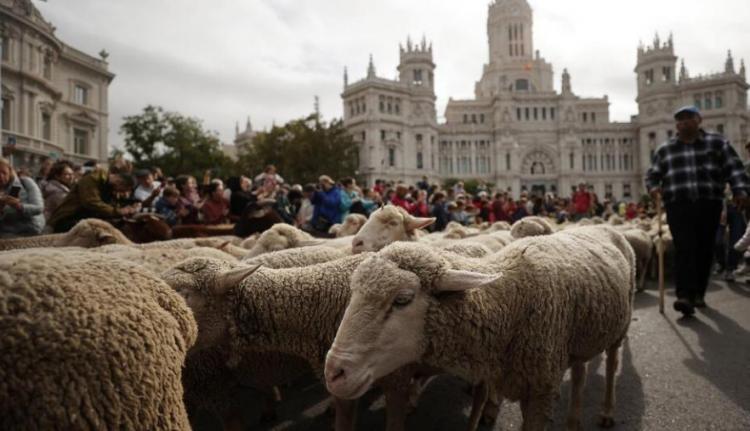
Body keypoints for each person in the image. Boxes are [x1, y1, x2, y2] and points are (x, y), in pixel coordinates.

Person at [646, 105, 749, 316]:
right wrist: (653, 187)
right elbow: (652, 174)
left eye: (687, 118)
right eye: (679, 119)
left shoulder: (718, 143)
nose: (683, 122)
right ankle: (684, 295)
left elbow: (734, 168)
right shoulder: (666, 149)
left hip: (708, 202)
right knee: (685, 247)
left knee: (704, 248)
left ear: (698, 120)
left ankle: (698, 293)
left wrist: (740, 189)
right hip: (678, 204)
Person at [48, 167, 138, 233]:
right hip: (68, 219)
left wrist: (128, 209)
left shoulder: (109, 187)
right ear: (119, 181)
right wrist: (119, 211)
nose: (120, 192)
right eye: (122, 189)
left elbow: (110, 206)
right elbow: (91, 203)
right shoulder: (92, 179)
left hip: (83, 219)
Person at [0, 157, 45, 237]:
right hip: (6, 232)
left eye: (4, 172)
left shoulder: (26, 182)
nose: (1, 176)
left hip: (29, 229)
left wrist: (19, 206)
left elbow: (39, 208)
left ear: (10, 171)